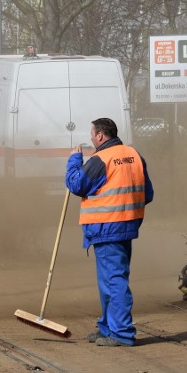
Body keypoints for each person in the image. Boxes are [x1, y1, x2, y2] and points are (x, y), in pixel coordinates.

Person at [66, 117, 153, 347]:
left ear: (101, 136)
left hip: (106, 227)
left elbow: (76, 185)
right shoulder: (134, 155)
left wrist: (75, 160)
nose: (91, 138)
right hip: (126, 225)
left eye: (92, 134)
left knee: (114, 281)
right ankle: (107, 327)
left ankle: (122, 333)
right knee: (109, 280)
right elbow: (148, 193)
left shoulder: (100, 159)